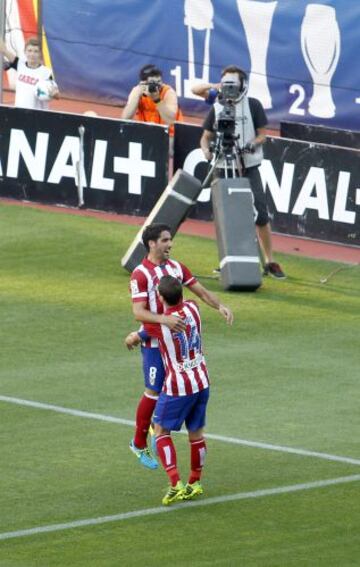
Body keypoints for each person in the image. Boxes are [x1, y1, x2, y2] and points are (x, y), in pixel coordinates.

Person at [127, 223, 233, 471]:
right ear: (152, 243)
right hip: (154, 341)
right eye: (165, 240)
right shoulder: (140, 274)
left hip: (176, 343)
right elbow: (138, 311)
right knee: (153, 391)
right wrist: (161, 321)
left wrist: (220, 306)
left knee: (174, 388)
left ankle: (159, 431)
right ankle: (138, 442)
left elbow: (201, 291)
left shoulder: (176, 267)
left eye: (170, 240)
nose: (170, 245)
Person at [194, 65, 286, 279]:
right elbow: (205, 136)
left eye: (232, 85)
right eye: (225, 84)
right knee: (228, 217)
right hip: (223, 167)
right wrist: (206, 150)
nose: (229, 89)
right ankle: (229, 260)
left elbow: (263, 134)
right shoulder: (217, 106)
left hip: (249, 165)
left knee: (260, 213)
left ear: (243, 85)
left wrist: (251, 144)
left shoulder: (253, 105)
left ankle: (269, 261)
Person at [125, 275, 210, 506]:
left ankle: (175, 483)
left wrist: (132, 338)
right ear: (181, 294)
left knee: (161, 430)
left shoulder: (160, 324)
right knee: (196, 433)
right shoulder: (194, 308)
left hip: (178, 386)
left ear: (161, 298)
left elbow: (141, 331)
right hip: (201, 380)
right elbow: (187, 305)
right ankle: (195, 482)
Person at [121, 64, 183, 140]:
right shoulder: (137, 91)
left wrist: (157, 100)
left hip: (170, 134)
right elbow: (125, 118)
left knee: (168, 147)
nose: (157, 85)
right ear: (143, 83)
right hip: (147, 132)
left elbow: (170, 121)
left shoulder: (168, 92)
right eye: (152, 82)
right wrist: (136, 96)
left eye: (159, 81)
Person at [0, 37, 59, 110]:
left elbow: (57, 95)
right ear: (25, 52)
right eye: (29, 50)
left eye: (36, 51)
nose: (32, 54)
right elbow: (4, 50)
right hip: (19, 112)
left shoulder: (46, 72)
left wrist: (54, 94)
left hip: (37, 115)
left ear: (40, 53)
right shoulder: (19, 64)